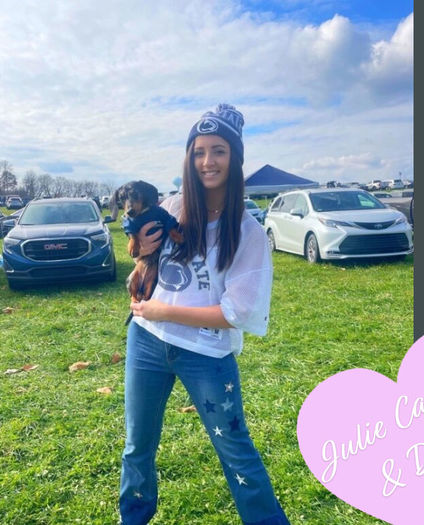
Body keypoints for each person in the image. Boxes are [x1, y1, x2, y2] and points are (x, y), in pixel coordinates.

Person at [119, 104, 290, 525]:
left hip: (206, 354)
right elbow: (144, 254)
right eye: (198, 151)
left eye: (218, 151)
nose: (207, 162)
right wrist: (138, 262)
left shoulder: (247, 233)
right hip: (146, 341)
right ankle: (132, 518)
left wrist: (164, 311)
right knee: (137, 446)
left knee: (236, 452)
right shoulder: (173, 206)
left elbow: (236, 312)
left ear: (235, 158)